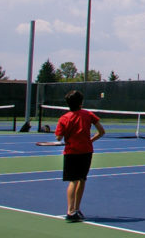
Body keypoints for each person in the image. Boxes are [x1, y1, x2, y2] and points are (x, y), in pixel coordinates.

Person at [54, 90, 105, 222]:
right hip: (86, 152)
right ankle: (76, 209)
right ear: (81, 103)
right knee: (82, 179)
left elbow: (59, 137)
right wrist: (90, 141)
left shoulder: (64, 118)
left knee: (74, 180)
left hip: (72, 152)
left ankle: (70, 211)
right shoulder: (88, 115)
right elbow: (101, 131)